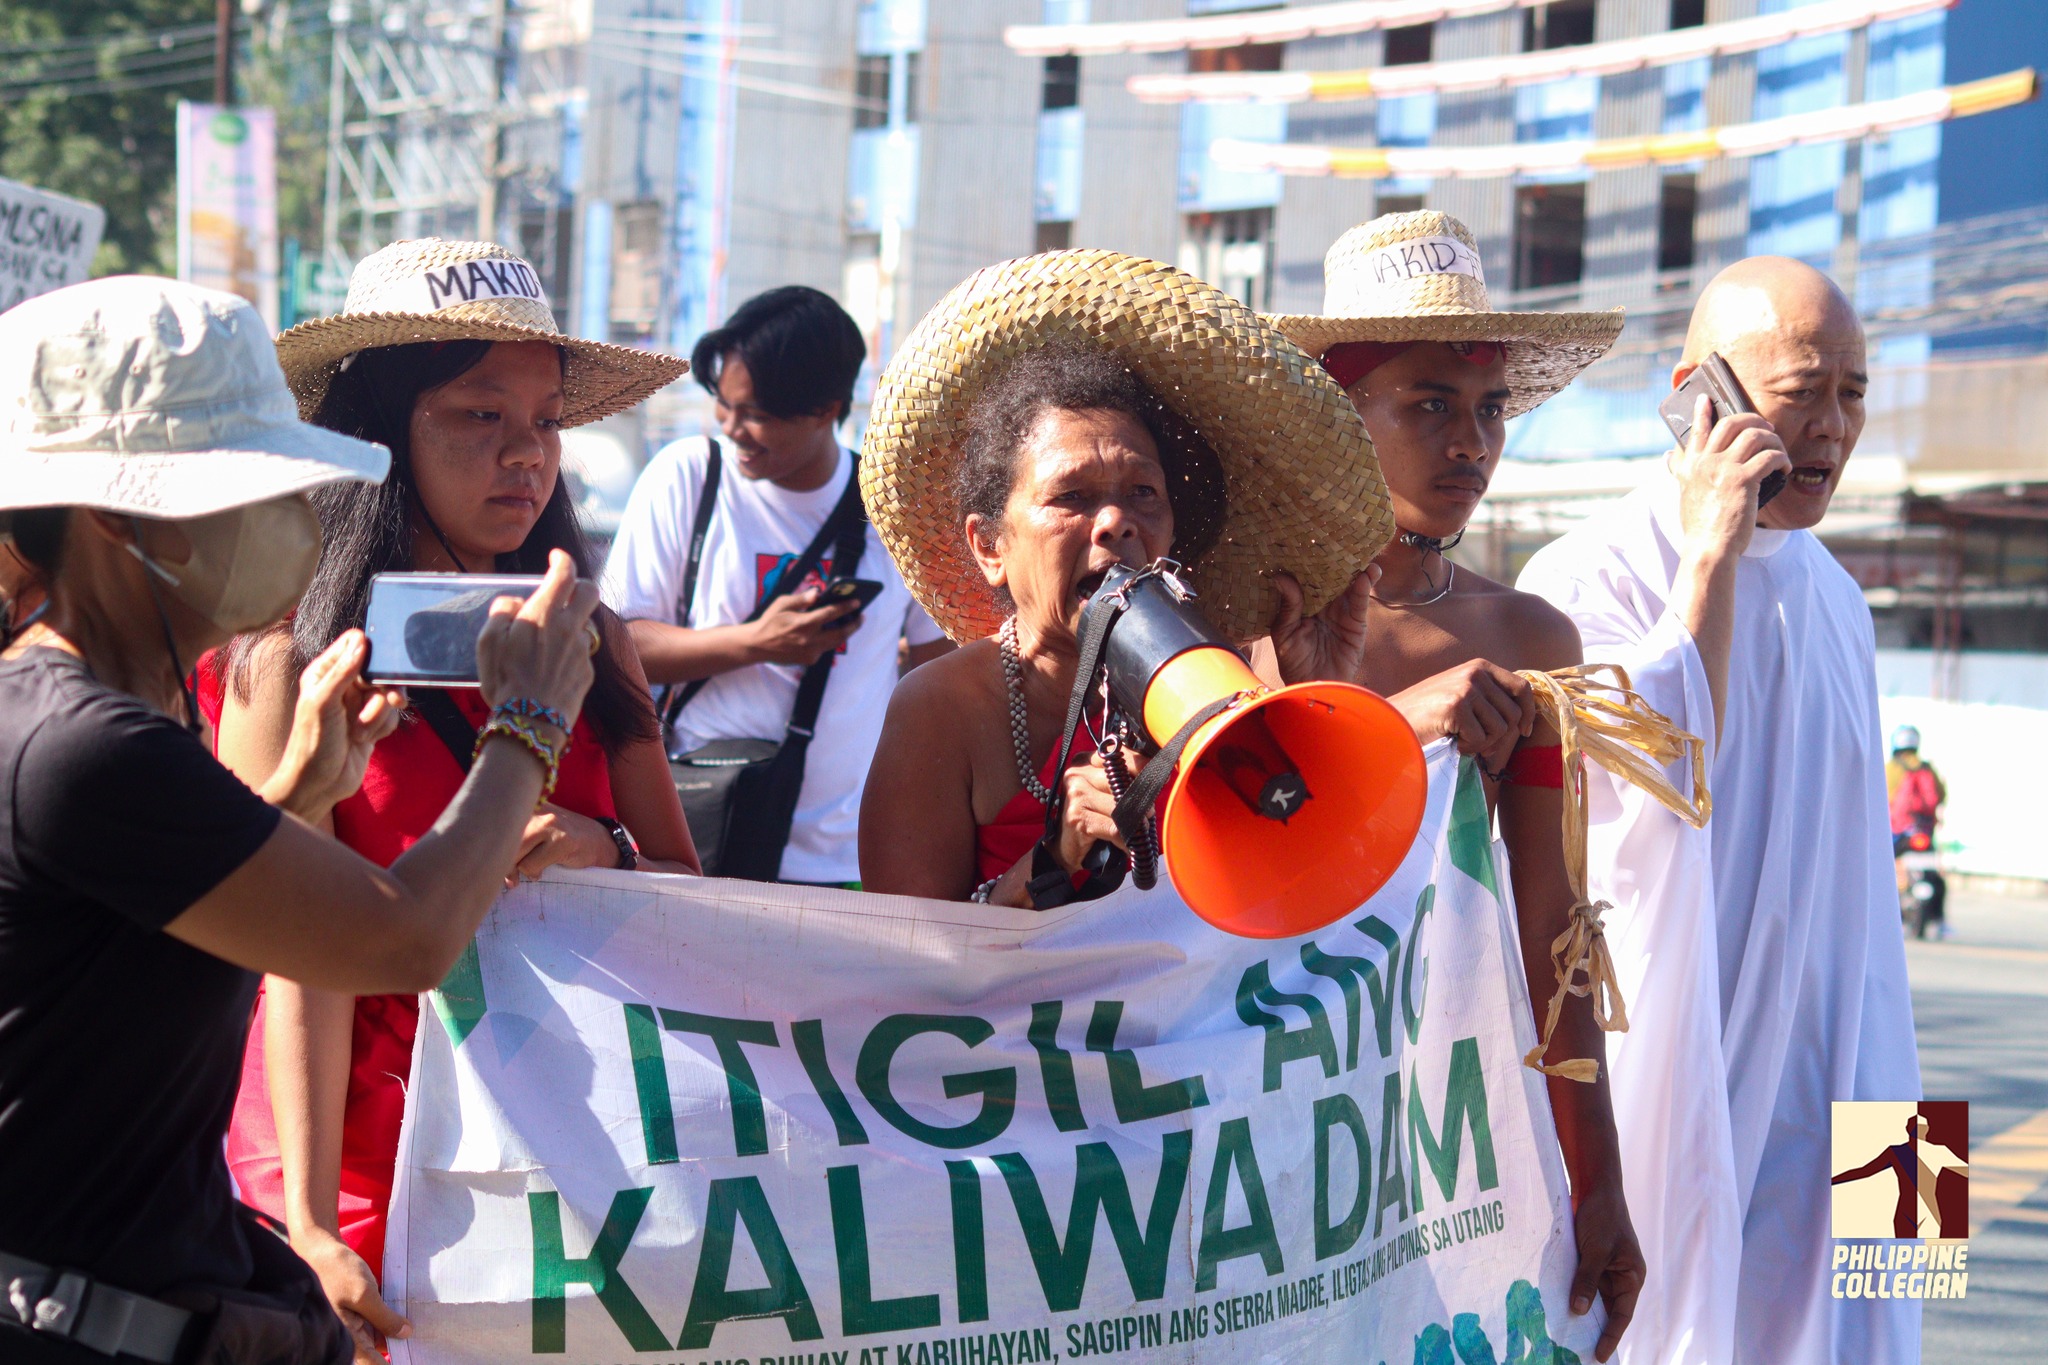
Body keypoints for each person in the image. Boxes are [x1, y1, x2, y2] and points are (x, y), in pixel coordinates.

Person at [0, 276, 601, 1364]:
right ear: (111, 520)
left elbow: (143, 947)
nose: (287, 521)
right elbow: (402, 938)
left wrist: (294, 799)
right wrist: (526, 724)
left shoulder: (113, 721)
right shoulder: (83, 743)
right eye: (241, 491)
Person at [208, 239, 700, 1362]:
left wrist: (603, 846)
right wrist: (311, 1226)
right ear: (383, 430)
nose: (525, 455)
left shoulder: (594, 641)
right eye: (479, 416)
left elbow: (692, 906)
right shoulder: (292, 664)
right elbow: (284, 960)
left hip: (566, 1187)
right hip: (353, 1182)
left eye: (542, 421)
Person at [1519, 257, 1919, 1364]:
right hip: (1676, 1070)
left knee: (1878, 1318)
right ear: (1704, 394)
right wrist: (1709, 561)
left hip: (1849, 1058)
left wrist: (1914, 1184)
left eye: (1853, 393)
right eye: (1801, 390)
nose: (1832, 429)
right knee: (1669, 1329)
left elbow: (1867, 913)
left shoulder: (1840, 597)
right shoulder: (1588, 577)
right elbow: (1649, 793)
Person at [1263, 210, 1641, 1363]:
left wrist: (1595, 1177)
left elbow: (1553, 933)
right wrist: (1390, 730)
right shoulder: (1242, 626)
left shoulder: (1527, 632)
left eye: (1486, 411)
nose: (1469, 444)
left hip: (1457, 1139)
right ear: (1336, 414)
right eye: (1427, 403)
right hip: (1271, 1115)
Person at [855, 249, 1384, 908]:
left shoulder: (1226, 680)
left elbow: (1323, 882)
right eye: (1071, 497)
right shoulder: (941, 708)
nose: (1116, 522)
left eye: (1142, 491)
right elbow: (901, 964)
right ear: (990, 545)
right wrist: (1053, 859)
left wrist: (1318, 700)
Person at [603, 286, 951, 885]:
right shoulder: (690, 477)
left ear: (826, 409)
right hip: (692, 842)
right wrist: (757, 643)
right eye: (722, 404)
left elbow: (937, 688)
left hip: (846, 860)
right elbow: (618, 648)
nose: (732, 427)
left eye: (757, 413)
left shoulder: (894, 512)